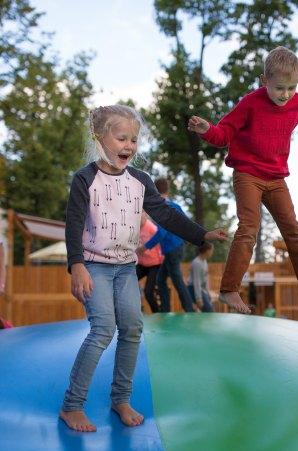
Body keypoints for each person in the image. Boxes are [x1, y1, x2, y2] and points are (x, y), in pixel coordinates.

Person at [60, 104, 227, 433]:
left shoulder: (140, 181)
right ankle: (72, 405)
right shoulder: (85, 179)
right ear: (99, 138)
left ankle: (121, 399)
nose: (129, 146)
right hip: (94, 265)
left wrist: (200, 234)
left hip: (125, 267)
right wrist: (76, 265)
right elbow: (73, 223)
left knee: (133, 329)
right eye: (121, 138)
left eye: (134, 140)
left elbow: (166, 216)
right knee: (103, 329)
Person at [188, 46, 298, 314]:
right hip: (248, 175)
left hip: (277, 178)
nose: (285, 95)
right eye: (279, 88)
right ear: (264, 80)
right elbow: (224, 135)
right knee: (248, 228)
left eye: (291, 87)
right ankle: (230, 290)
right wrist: (207, 129)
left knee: (293, 230)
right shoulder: (250, 103)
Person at [142, 178, 195, 313]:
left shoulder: (162, 207)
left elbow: (162, 233)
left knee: (177, 280)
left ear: (154, 191)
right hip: (175, 248)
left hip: (172, 249)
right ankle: (165, 310)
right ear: (168, 190)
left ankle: (189, 309)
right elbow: (185, 223)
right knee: (161, 279)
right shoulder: (174, 205)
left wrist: (145, 247)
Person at [136, 211, 163, 313]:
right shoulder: (135, 228)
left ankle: (157, 313)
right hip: (142, 264)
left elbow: (160, 243)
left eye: (142, 213)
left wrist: (162, 262)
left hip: (155, 265)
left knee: (149, 292)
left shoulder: (151, 228)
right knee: (129, 280)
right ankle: (137, 308)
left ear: (146, 215)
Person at [187, 242, 214, 312]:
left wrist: (208, 293)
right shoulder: (196, 263)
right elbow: (197, 281)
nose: (212, 252)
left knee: (209, 309)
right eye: (211, 250)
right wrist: (198, 298)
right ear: (207, 251)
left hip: (201, 289)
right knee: (208, 310)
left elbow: (205, 279)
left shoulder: (204, 262)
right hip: (193, 288)